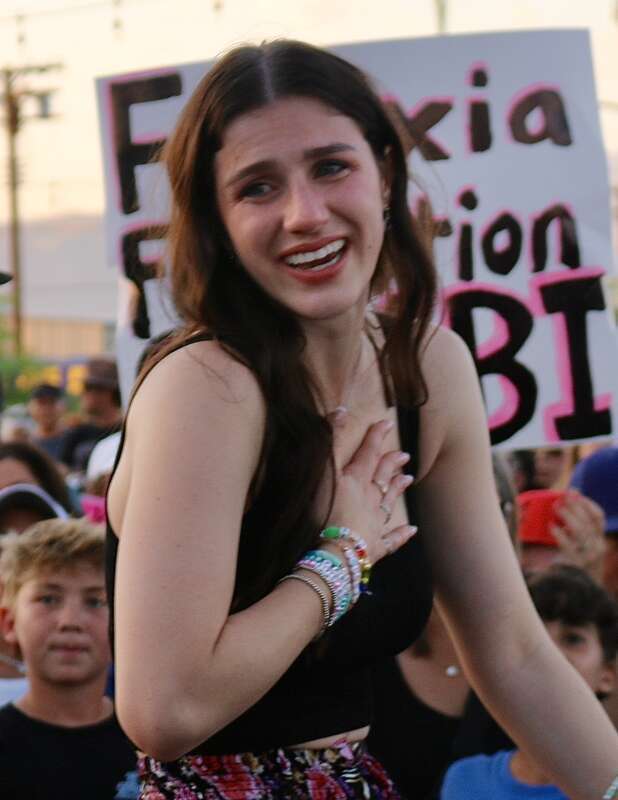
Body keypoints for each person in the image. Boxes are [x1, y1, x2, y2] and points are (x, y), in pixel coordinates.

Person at [106, 40, 618, 799]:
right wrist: (342, 558)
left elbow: (511, 649)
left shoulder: (429, 365)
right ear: (215, 219)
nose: (304, 215)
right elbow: (164, 709)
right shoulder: (206, 386)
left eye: (331, 167)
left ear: (385, 173)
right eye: (257, 188)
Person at [440, 565, 618, 800]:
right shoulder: (463, 779)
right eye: (536, 640)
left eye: (573, 639)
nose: (550, 654)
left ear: (608, 675)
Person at [0, 518, 138, 799]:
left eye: (96, 601)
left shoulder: (152, 744)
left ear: (123, 623)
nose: (70, 622)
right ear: (9, 623)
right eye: (48, 599)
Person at [59, 358, 123, 474]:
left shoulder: (127, 431)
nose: (83, 394)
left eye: (88, 387)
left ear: (109, 392)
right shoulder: (76, 432)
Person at [28, 383, 67, 462]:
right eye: (41, 403)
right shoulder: (26, 443)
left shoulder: (73, 439)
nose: (46, 409)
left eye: (51, 402)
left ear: (63, 406)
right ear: (30, 407)